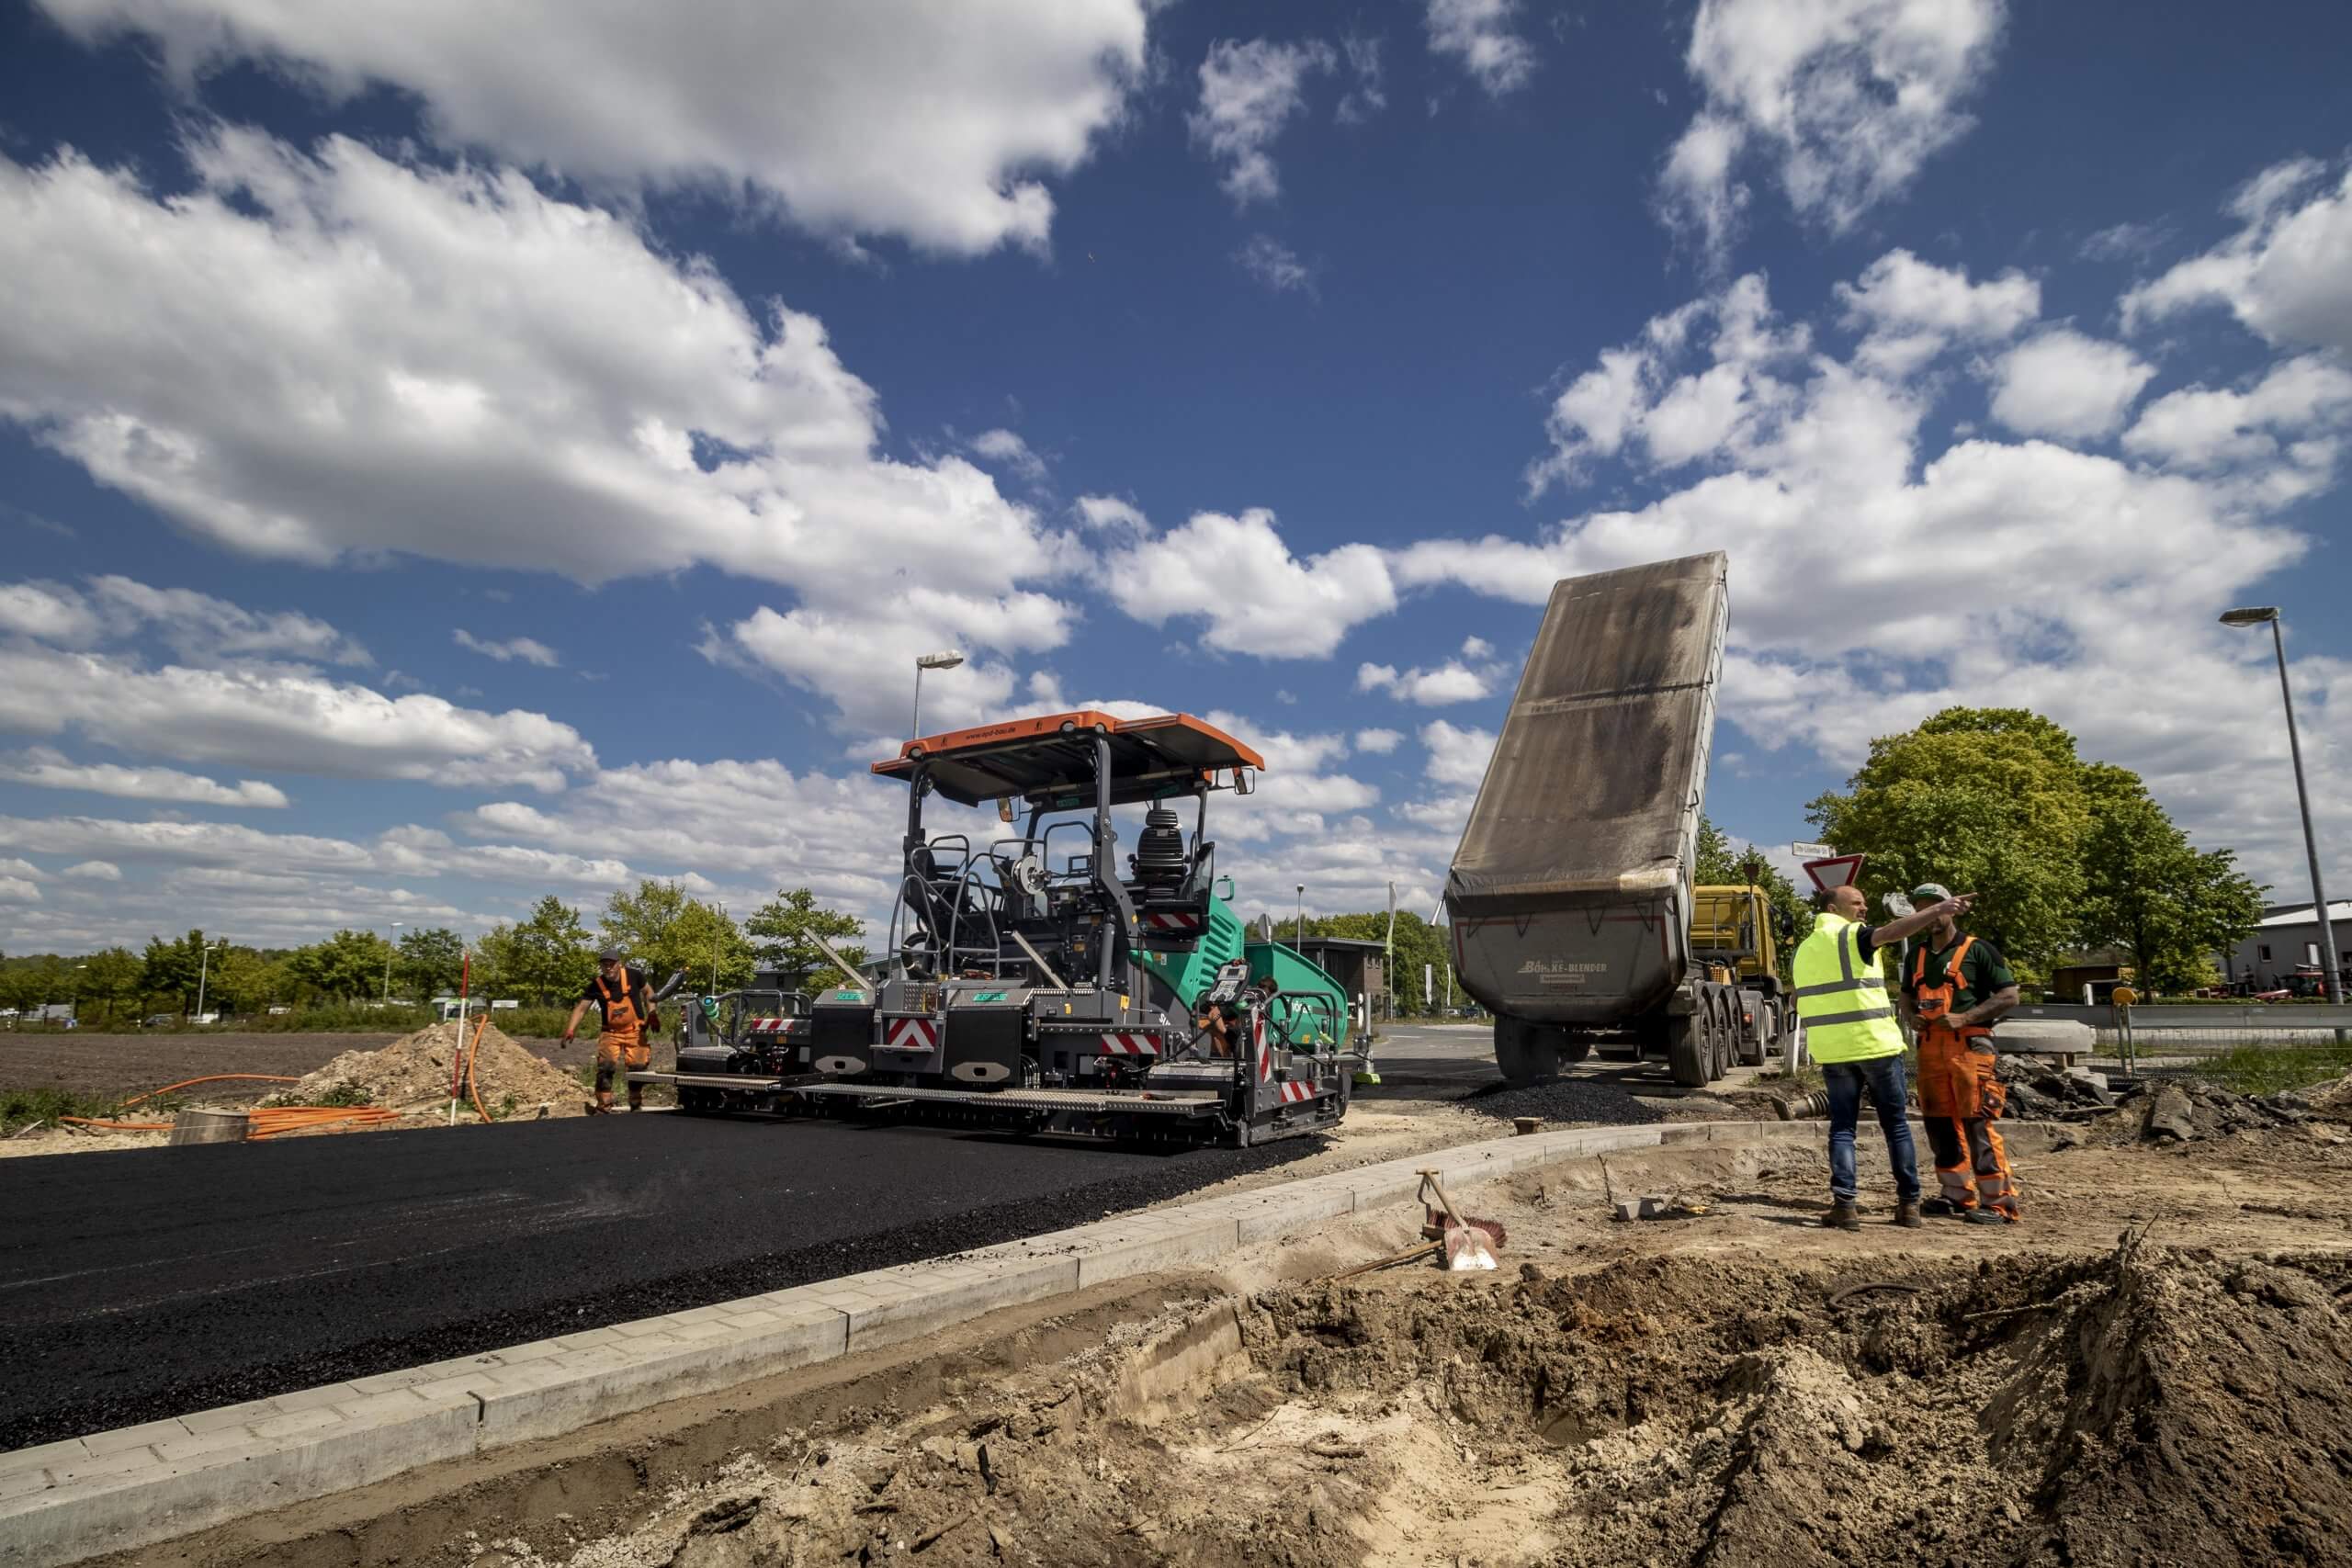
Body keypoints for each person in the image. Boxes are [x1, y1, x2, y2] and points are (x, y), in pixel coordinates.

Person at [1792, 883, 1974, 1230]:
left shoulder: (1803, 950)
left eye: (1864, 903)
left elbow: (1798, 999)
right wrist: (1938, 910)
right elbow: (1892, 932)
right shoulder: (1853, 937)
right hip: (1875, 1046)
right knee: (1896, 1126)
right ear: (1833, 909)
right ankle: (1909, 1205)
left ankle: (1845, 1207)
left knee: (1842, 1129)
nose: (1864, 909)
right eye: (1856, 903)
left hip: (1834, 1051)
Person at [1899, 883, 2022, 1224]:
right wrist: (1911, 1018)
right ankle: (1956, 1196)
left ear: (1951, 909)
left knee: (1977, 1123)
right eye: (1923, 909)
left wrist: (1966, 1017)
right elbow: (1906, 996)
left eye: (1936, 907)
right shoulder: (1917, 954)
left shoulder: (1979, 950)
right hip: (1930, 1049)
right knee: (1938, 1124)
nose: (1931, 915)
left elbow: (2009, 995)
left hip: (1971, 1047)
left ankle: (1999, 1202)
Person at [562, 947, 662, 1114]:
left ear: (619, 964)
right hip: (610, 1033)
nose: (608, 968)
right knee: (606, 1068)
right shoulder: (596, 985)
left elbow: (649, 992)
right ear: (601, 966)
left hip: (635, 1031)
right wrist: (571, 1029)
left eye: (611, 964)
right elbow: (581, 1009)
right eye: (604, 965)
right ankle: (603, 1107)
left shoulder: (634, 975)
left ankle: (636, 1105)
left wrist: (652, 1013)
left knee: (637, 1068)